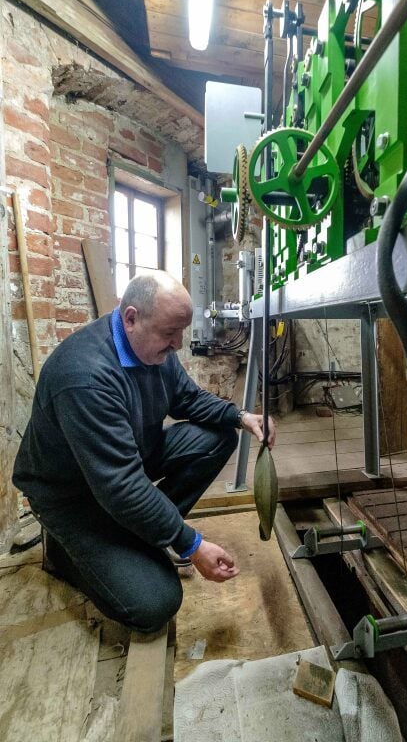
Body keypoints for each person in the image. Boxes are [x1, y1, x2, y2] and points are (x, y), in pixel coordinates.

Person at [13, 271, 275, 632]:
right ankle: (64, 550)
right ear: (131, 318)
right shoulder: (85, 377)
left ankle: (142, 532)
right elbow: (121, 486)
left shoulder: (153, 349)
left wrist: (241, 417)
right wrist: (191, 544)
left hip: (125, 460)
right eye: (170, 333)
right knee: (156, 604)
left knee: (217, 437)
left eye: (181, 332)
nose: (178, 344)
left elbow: (187, 398)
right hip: (71, 495)